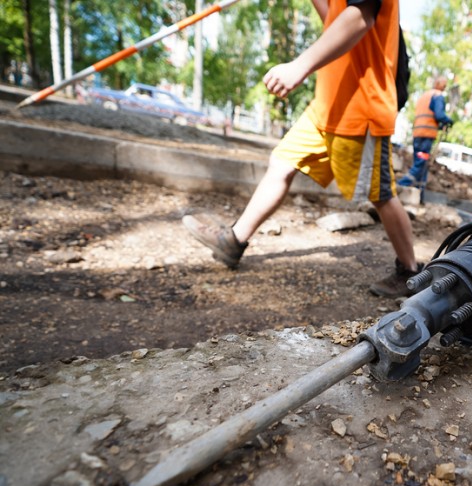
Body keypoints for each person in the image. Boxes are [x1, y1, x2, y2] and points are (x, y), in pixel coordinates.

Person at [182, 0, 421, 298]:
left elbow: (360, 18)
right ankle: (234, 241)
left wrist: (300, 66)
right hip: (329, 103)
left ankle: (411, 273)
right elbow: (334, 21)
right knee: (282, 162)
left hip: (361, 105)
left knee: (380, 193)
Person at [397, 75, 454, 201]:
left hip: (418, 134)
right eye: (444, 84)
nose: (444, 87)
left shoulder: (425, 96)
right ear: (438, 84)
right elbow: (439, 115)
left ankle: (420, 195)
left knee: (423, 166)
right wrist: (448, 120)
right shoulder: (438, 96)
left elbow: (428, 116)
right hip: (426, 136)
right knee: (420, 164)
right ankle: (399, 186)